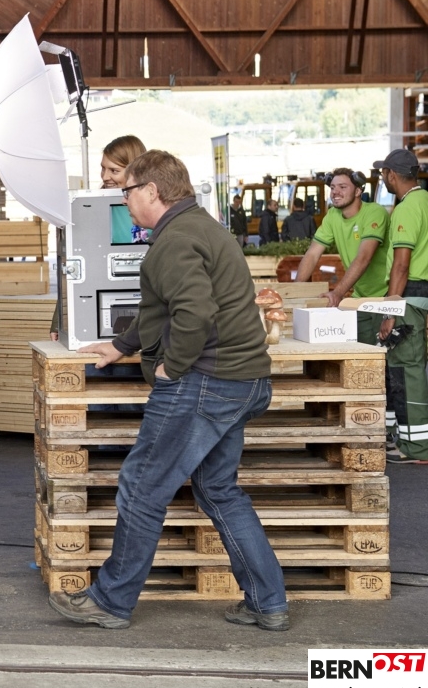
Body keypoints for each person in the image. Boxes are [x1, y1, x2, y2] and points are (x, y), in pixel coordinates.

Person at [51, 150, 288, 631]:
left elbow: (194, 312)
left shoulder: (175, 241)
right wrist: (122, 344)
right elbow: (163, 308)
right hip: (243, 381)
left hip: (204, 382)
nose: (124, 201)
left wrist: (172, 368)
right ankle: (268, 602)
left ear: (152, 191)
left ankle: (110, 602)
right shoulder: (201, 228)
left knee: (141, 488)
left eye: (127, 191)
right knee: (218, 490)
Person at [50, 135, 148, 341]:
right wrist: (59, 322)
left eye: (114, 170)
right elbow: (73, 269)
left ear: (136, 171)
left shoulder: (153, 209)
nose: (105, 177)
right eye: (103, 169)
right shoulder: (88, 207)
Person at [292, 168, 388, 346]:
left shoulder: (375, 212)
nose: (335, 192)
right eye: (333, 187)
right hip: (361, 298)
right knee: (363, 355)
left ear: (358, 191)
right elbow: (312, 254)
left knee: (388, 357)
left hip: (386, 296)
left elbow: (364, 258)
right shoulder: (332, 216)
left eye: (343, 187)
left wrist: (337, 293)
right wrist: (295, 290)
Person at [377, 149, 428, 465]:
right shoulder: (425, 201)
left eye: (383, 173)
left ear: (392, 175)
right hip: (421, 294)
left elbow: (401, 264)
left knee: (406, 371)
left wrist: (390, 311)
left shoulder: (406, 209)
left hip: (408, 296)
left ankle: (416, 448)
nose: (383, 178)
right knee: (413, 367)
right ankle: (411, 441)